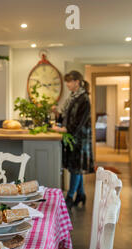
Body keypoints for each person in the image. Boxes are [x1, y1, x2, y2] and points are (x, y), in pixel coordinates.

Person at [51, 70, 95, 210]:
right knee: (75, 168)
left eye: (69, 82)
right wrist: (57, 113)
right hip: (72, 138)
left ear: (77, 81)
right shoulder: (73, 97)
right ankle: (81, 194)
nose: (68, 85)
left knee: (76, 168)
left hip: (80, 138)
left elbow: (79, 121)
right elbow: (67, 116)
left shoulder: (84, 99)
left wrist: (64, 129)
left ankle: (69, 197)